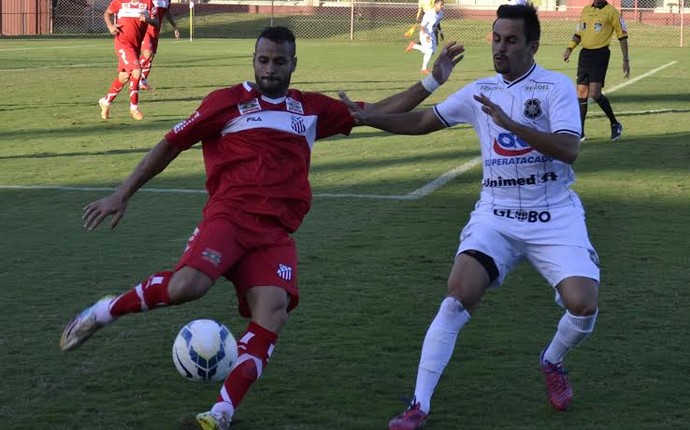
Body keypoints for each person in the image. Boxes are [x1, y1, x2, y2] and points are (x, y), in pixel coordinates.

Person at [60, 26, 465, 430]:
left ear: (293, 64)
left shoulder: (309, 109)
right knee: (188, 288)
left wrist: (433, 80)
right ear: (254, 61)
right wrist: (123, 194)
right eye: (263, 60)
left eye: (279, 61)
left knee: (272, 314)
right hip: (229, 219)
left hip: (273, 235)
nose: (270, 69)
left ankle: (220, 413)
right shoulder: (226, 102)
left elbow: (377, 112)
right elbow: (170, 144)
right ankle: (104, 311)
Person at [340, 4, 600, 430]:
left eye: (511, 40)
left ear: (533, 45)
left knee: (583, 304)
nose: (500, 47)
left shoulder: (554, 88)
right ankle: (418, 405)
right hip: (496, 214)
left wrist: (510, 123)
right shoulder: (481, 92)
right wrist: (369, 118)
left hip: (554, 213)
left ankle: (551, 361)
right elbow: (423, 120)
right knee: (458, 292)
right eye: (496, 38)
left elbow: (569, 149)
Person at [563, 0, 629, 142]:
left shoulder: (612, 12)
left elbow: (622, 36)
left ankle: (615, 124)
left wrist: (626, 60)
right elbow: (578, 33)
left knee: (595, 93)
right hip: (584, 54)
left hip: (600, 54)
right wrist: (569, 48)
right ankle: (580, 132)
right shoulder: (586, 10)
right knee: (581, 92)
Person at [98, 0, 158, 121]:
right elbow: (106, 13)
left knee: (124, 77)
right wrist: (110, 26)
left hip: (135, 46)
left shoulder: (148, 3)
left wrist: (148, 20)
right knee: (136, 71)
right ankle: (134, 108)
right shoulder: (120, 1)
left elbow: (156, 21)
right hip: (123, 43)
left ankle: (105, 101)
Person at [139, 0, 180, 91]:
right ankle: (133, 71)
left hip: (155, 31)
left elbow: (167, 14)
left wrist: (175, 27)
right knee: (148, 54)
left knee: (150, 57)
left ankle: (142, 81)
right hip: (145, 30)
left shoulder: (166, 1)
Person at [405, 0, 445, 75]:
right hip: (425, 33)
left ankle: (413, 45)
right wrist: (426, 36)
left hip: (432, 33)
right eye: (441, 5)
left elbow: (437, 23)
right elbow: (422, 27)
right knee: (429, 51)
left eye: (443, 5)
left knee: (432, 51)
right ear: (435, 5)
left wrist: (441, 32)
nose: (442, 6)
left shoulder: (441, 13)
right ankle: (424, 69)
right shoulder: (429, 14)